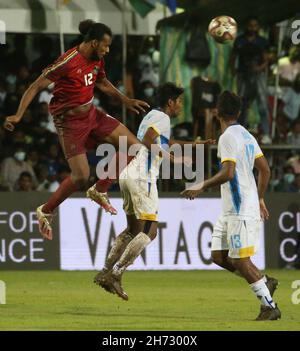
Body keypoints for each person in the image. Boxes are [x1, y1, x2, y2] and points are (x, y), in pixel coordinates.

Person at [3, 20, 149, 240]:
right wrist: (18, 115)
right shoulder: (67, 61)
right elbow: (35, 86)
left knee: (135, 147)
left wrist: (125, 100)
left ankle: (100, 189)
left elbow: (101, 82)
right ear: (93, 43)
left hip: (92, 114)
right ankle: (46, 210)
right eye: (105, 45)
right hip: (69, 122)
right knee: (81, 177)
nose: (107, 50)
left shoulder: (97, 59)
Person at [94, 82, 215, 300]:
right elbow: (149, 140)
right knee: (151, 231)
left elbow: (162, 141)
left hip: (127, 173)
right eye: (179, 102)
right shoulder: (163, 118)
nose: (180, 106)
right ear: (171, 102)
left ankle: (105, 271)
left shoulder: (152, 115)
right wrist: (171, 158)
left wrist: (195, 144)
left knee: (132, 229)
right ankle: (116, 274)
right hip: (142, 177)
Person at [182, 91, 281, 321]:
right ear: (238, 112)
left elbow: (228, 173)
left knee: (240, 261)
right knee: (218, 256)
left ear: (217, 112)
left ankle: (269, 306)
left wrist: (202, 185)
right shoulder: (247, 135)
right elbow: (265, 169)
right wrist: (260, 197)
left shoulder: (227, 137)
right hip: (231, 210)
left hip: (239, 210)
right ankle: (263, 282)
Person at [230, 17, 271, 144]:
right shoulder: (240, 40)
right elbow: (233, 56)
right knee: (242, 103)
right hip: (243, 74)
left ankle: (266, 134)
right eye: (250, 25)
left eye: (255, 25)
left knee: (263, 104)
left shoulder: (262, 41)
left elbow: (266, 60)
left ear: (258, 27)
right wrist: (233, 70)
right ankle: (241, 132)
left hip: (258, 75)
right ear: (246, 26)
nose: (252, 28)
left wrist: (259, 68)